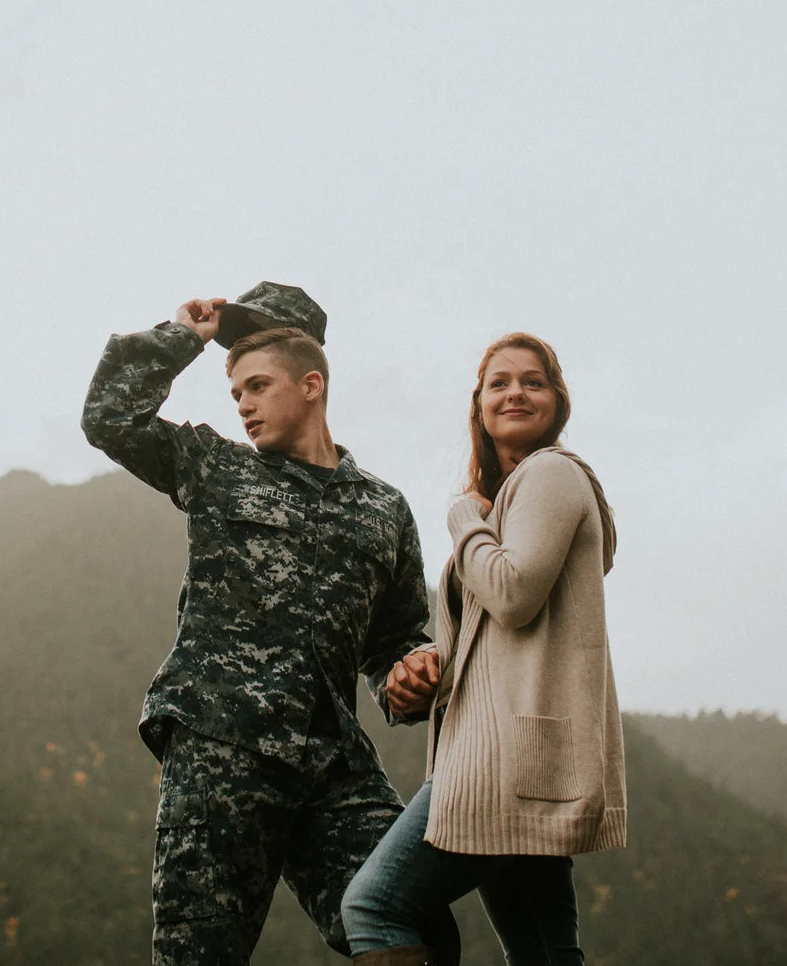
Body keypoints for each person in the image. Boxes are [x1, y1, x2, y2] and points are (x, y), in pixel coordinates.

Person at [82, 281, 433, 966]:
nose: (240, 402)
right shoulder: (215, 468)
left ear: (311, 385)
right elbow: (109, 417)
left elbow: (396, 641)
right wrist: (181, 336)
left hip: (333, 765)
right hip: (221, 750)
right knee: (199, 953)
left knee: (410, 922)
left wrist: (408, 675)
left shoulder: (383, 509)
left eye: (256, 384)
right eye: (234, 389)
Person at [340, 332, 624, 966]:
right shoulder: (508, 503)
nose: (515, 392)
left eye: (533, 380)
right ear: (479, 404)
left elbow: (515, 593)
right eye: (499, 382)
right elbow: (495, 636)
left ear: (558, 401)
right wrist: (429, 669)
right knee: (544, 952)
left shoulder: (549, 473)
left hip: (498, 762)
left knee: (375, 907)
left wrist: (462, 517)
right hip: (525, 752)